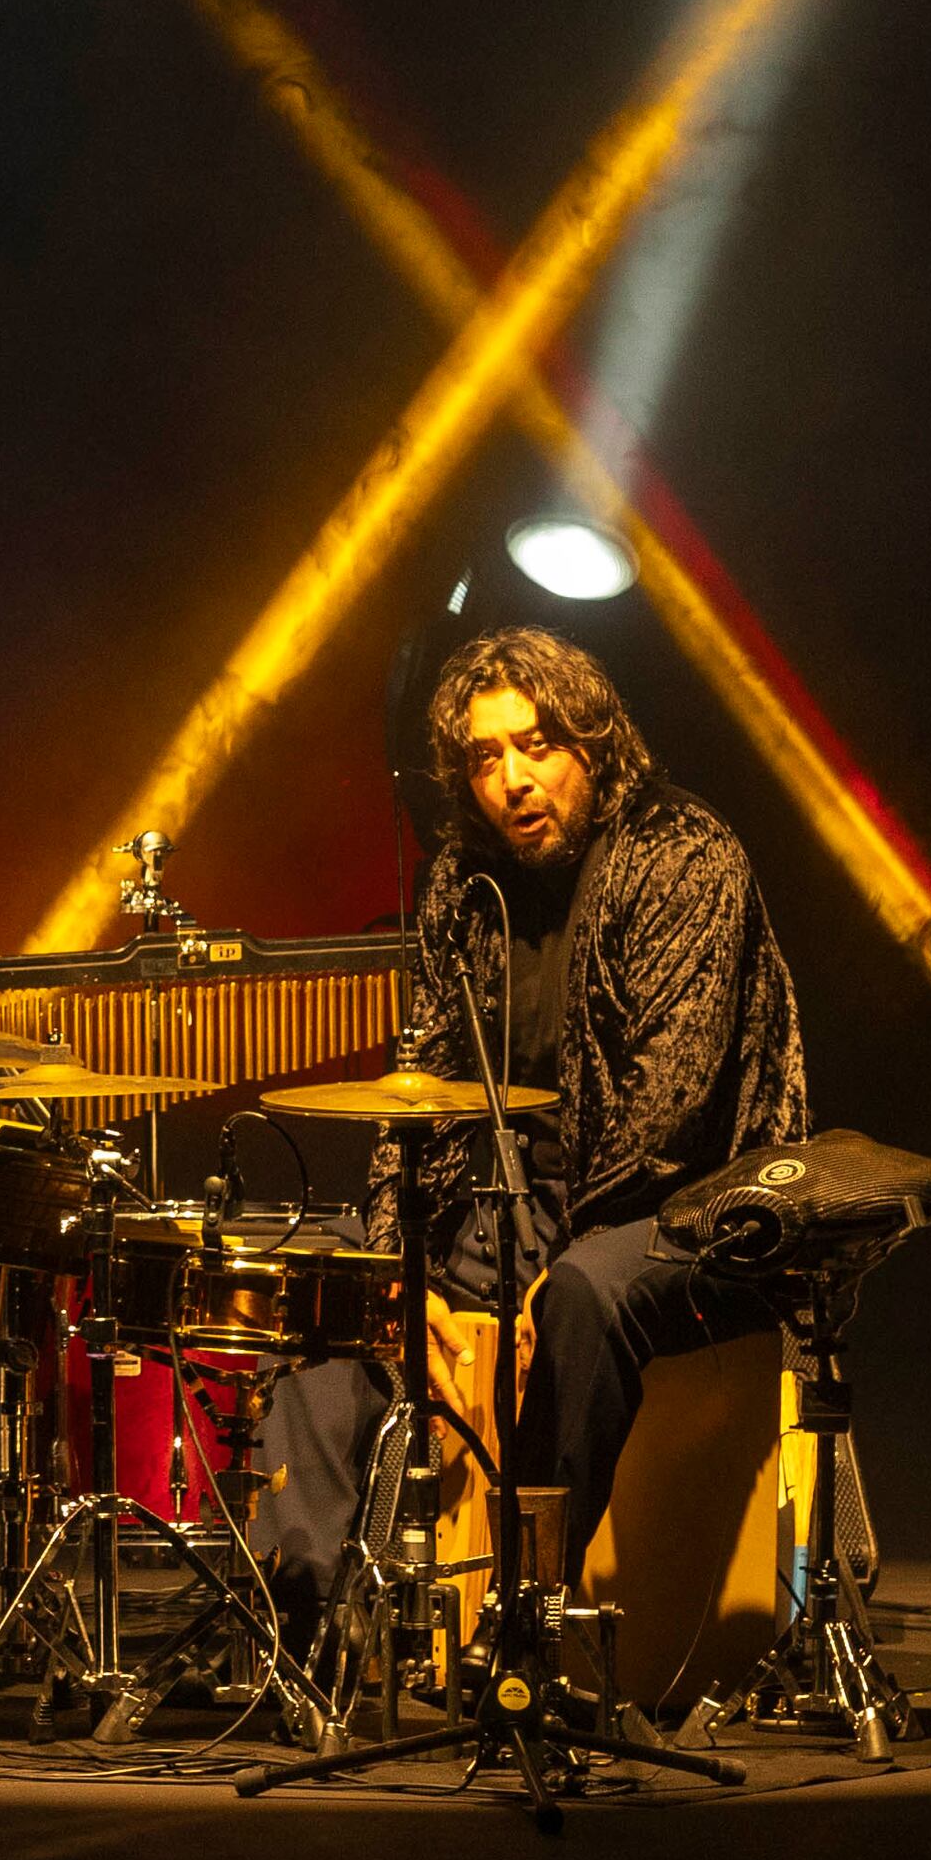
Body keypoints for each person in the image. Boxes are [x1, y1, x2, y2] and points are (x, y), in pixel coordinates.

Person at [259, 625, 810, 1616]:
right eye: (483, 757)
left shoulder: (682, 854)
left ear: (591, 746)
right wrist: (396, 1262)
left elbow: (666, 1112)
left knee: (581, 1297)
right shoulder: (456, 888)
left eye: (536, 746)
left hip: (681, 1212)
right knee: (324, 1285)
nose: (510, 778)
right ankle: (313, 1607)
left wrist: (543, 1267)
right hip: (491, 1207)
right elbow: (414, 1084)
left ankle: (523, 1609)